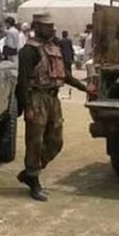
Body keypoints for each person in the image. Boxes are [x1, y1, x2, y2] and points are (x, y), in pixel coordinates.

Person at [16, 13, 89, 201]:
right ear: (37, 27)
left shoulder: (54, 47)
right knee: (35, 141)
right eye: (47, 26)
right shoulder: (29, 51)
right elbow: (22, 81)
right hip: (37, 98)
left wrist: (85, 88)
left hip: (53, 99)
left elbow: (64, 75)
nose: (52, 29)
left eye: (52, 26)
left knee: (56, 141)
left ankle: (30, 172)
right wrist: (27, 106)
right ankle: (34, 180)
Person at [58, 30, 75, 97]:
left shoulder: (60, 41)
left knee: (64, 69)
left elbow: (59, 49)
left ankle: (64, 79)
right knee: (69, 69)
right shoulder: (69, 41)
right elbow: (71, 49)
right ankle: (70, 79)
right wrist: (72, 57)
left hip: (63, 57)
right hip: (68, 57)